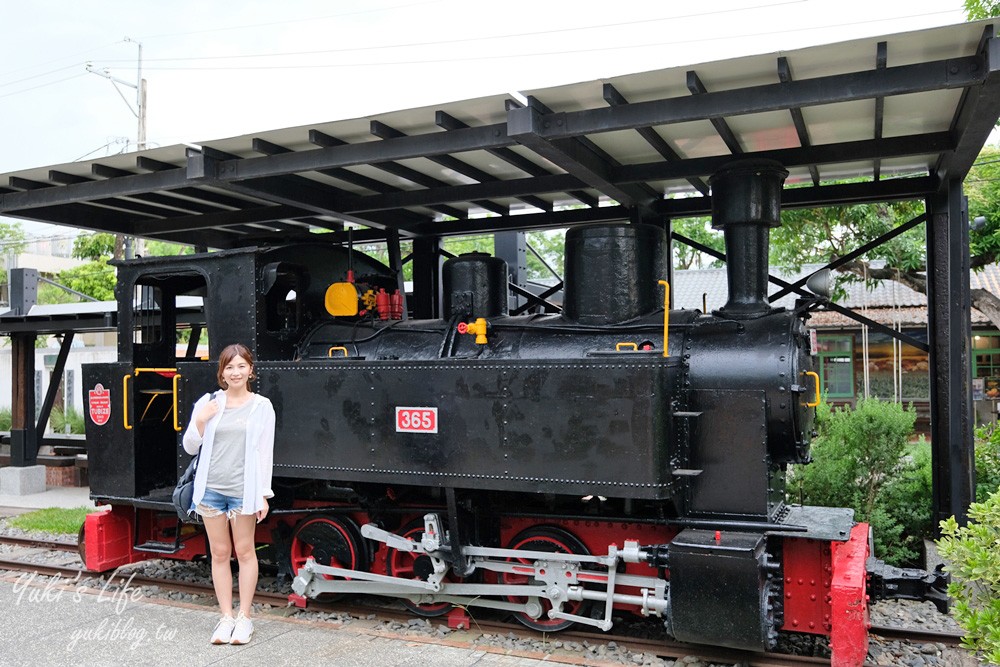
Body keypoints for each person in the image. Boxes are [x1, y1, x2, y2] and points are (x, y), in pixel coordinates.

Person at [182, 343, 275, 645]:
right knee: (220, 554)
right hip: (211, 491)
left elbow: (264, 453)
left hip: (242, 492)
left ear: (251, 370)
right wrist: (200, 421)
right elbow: (190, 446)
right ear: (222, 372)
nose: (235, 372)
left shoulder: (262, 406)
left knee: (245, 552)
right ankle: (225, 618)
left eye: (241, 366)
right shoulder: (209, 403)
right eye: (229, 367)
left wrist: (263, 493)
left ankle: (245, 618)